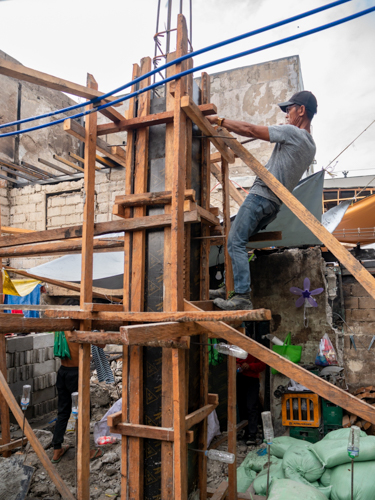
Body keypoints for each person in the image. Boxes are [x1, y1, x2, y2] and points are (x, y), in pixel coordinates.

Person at [208, 91, 317, 310]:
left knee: (234, 241)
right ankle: (231, 287)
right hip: (273, 205)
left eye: (289, 109)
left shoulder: (292, 133)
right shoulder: (310, 145)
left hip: (261, 195)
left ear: (301, 110)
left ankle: (241, 297)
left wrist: (219, 121)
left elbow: (250, 130)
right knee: (239, 241)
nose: (286, 115)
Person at [51, 334, 105, 463]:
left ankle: (57, 449)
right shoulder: (80, 329)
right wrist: (100, 330)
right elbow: (102, 344)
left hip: (63, 371)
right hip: (76, 373)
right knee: (84, 412)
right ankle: (85, 452)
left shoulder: (62, 328)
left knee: (63, 411)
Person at [236, 353, 266, 445]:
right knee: (242, 406)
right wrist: (237, 365)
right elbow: (234, 361)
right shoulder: (238, 348)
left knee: (251, 406)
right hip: (240, 378)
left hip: (252, 380)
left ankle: (252, 434)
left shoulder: (256, 349)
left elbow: (262, 365)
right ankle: (244, 431)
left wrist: (250, 366)